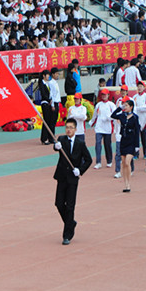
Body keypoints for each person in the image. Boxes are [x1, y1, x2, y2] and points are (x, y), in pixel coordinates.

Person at [52, 117, 92, 245]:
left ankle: (67, 235)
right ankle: (70, 223)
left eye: (71, 128)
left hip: (72, 178)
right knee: (59, 203)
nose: (68, 130)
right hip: (61, 176)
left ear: (75, 129)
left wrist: (80, 170)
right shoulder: (61, 140)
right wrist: (56, 146)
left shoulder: (80, 143)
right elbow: (56, 147)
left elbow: (89, 159)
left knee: (70, 206)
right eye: (67, 127)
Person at [111, 99, 140, 192]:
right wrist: (120, 108)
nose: (125, 107)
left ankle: (129, 183)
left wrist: (137, 145)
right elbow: (113, 115)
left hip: (131, 142)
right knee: (123, 163)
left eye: (127, 105)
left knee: (127, 162)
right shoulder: (122, 116)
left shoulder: (135, 117)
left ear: (131, 107)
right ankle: (126, 183)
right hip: (123, 141)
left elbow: (137, 131)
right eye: (124, 105)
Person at [89, 88, 115, 169]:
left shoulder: (111, 105)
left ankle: (109, 161)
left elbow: (115, 115)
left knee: (107, 145)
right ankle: (98, 162)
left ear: (108, 95)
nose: (103, 96)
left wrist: (108, 118)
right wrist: (91, 122)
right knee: (98, 144)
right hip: (99, 127)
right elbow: (95, 115)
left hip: (107, 128)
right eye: (102, 94)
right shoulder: (98, 105)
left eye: (105, 94)